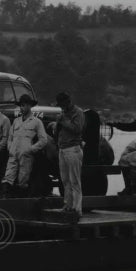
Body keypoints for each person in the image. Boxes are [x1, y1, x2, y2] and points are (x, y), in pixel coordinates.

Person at [1, 94, 49, 197]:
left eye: (24, 105)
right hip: (13, 154)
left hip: (26, 156)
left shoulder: (36, 122)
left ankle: (21, 203)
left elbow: (43, 140)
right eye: (20, 106)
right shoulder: (16, 121)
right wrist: (10, 147)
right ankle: (5, 201)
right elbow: (10, 137)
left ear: (29, 106)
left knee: (23, 181)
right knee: (7, 179)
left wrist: (31, 149)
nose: (21, 108)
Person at [54, 92, 86, 221]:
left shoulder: (78, 112)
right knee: (65, 180)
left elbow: (78, 129)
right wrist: (57, 124)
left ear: (68, 102)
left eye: (63, 105)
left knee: (75, 181)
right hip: (62, 149)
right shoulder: (62, 114)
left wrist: (64, 120)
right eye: (60, 105)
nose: (62, 107)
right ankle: (68, 205)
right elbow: (57, 132)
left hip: (73, 149)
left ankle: (77, 209)